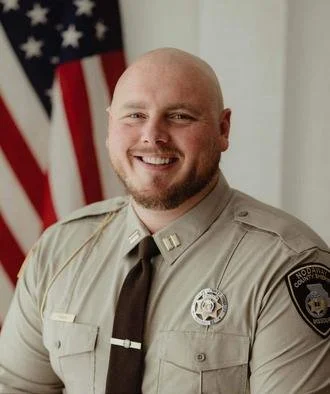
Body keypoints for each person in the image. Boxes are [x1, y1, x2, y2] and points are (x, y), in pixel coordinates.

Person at [0, 47, 329, 394]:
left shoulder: (285, 266)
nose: (153, 135)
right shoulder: (61, 249)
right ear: (110, 125)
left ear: (223, 128)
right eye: (135, 115)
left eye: (180, 116)